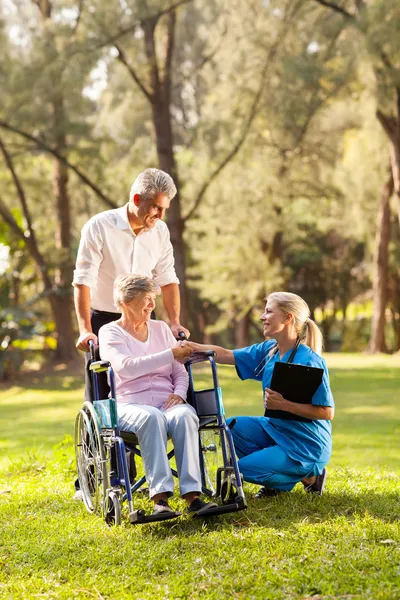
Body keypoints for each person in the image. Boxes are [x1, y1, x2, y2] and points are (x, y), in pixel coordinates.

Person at [183, 292, 334, 498]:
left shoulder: (309, 361)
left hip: (304, 444)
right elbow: (227, 355)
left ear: (288, 318)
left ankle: (309, 476)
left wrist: (284, 404)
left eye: (269, 311)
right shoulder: (270, 350)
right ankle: (282, 474)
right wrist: (192, 348)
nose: (262, 317)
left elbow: (327, 412)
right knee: (230, 428)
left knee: (241, 470)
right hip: (274, 429)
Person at [98, 274, 217, 516]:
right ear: (126, 302)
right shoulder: (110, 332)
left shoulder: (161, 329)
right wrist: (170, 353)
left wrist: (180, 394)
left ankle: (193, 497)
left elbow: (179, 372)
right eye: (146, 299)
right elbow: (126, 367)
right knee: (150, 417)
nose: (152, 304)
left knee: (185, 416)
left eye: (153, 298)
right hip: (130, 405)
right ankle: (160, 499)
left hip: (168, 402)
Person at [72, 167, 189, 400]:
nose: (160, 215)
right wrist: (85, 329)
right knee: (101, 392)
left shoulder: (160, 231)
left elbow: (167, 279)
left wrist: (174, 322)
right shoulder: (100, 226)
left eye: (164, 208)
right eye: (156, 207)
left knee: (153, 379)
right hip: (104, 319)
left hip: (145, 318)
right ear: (137, 199)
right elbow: (83, 280)